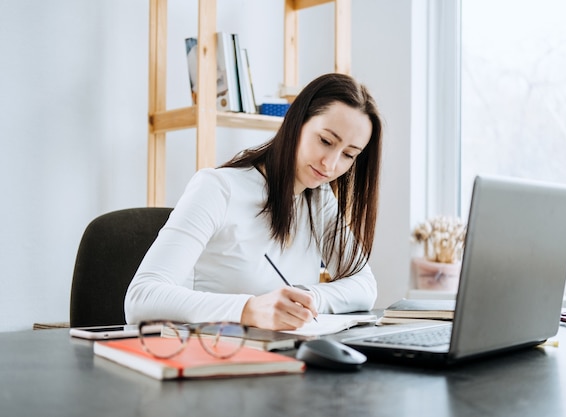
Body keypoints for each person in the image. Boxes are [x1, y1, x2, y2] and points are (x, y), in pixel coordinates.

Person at [124, 73, 383, 331]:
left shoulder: (319, 198)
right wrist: (248, 309)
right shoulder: (217, 188)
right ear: (296, 123)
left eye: (349, 155)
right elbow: (141, 298)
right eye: (325, 141)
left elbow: (364, 286)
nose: (331, 164)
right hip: (212, 353)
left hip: (286, 356)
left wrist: (305, 297)